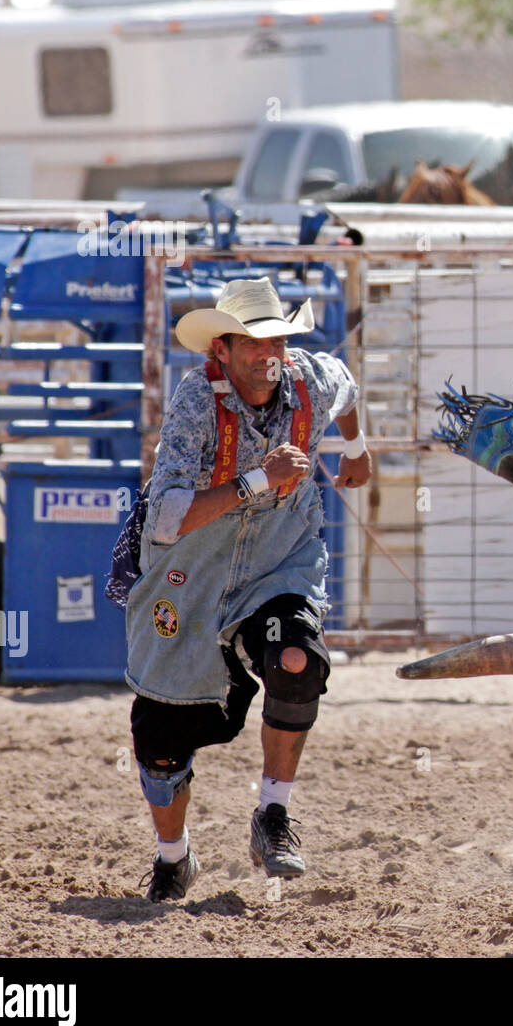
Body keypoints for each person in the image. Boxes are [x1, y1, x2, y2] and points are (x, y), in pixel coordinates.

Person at [126, 277, 371, 903]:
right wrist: (260, 478)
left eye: (278, 337)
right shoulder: (195, 403)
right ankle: (173, 857)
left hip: (279, 561)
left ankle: (274, 814)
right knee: (159, 736)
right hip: (192, 571)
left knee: (297, 661)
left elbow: (347, 384)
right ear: (224, 351)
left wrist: (358, 447)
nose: (270, 350)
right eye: (254, 340)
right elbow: (167, 514)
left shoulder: (310, 380)